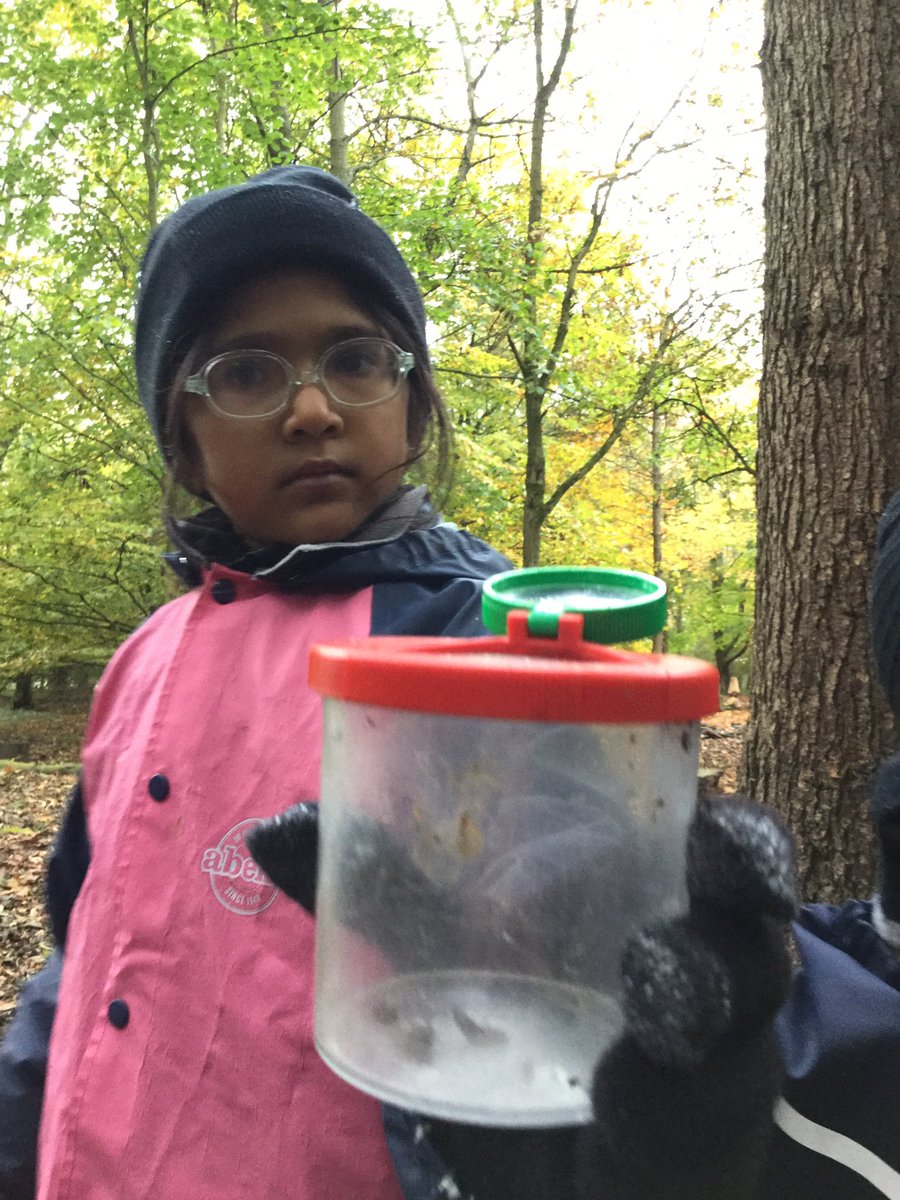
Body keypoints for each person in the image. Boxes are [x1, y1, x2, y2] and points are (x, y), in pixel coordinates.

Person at [0, 162, 808, 1200]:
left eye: (355, 359)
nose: (309, 409)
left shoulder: (487, 649)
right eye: (244, 373)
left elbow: (572, 945)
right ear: (184, 443)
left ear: (413, 407)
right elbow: (87, 951)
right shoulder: (142, 661)